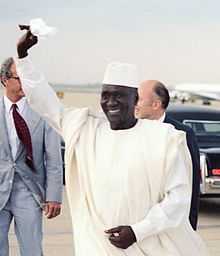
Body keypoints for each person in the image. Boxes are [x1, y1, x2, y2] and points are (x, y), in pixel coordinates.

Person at [14, 29, 208, 255]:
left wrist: (138, 231)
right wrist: (23, 57)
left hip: (147, 245)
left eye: (119, 95)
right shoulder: (86, 130)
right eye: (105, 95)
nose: (110, 102)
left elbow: (178, 199)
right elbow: (44, 101)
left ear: (135, 100)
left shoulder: (164, 139)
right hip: (98, 246)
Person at [0, 56, 63, 256]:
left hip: (28, 191)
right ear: (4, 79)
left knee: (32, 250)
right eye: (19, 78)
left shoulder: (43, 113)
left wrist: (54, 196)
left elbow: (54, 157)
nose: (24, 84)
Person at [135, 80, 201, 230]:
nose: (134, 104)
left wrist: (190, 227)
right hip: (139, 225)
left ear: (156, 104)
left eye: (139, 99)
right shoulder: (131, 131)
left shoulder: (182, 133)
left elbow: (192, 183)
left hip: (172, 224)